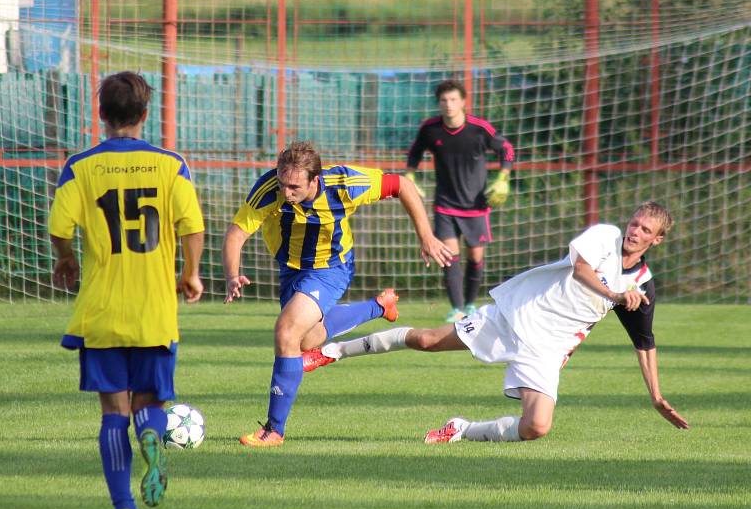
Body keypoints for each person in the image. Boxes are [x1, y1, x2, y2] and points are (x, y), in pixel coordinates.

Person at [303, 201, 689, 443]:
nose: (635, 233)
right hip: (513, 316)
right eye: (635, 224)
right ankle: (332, 351)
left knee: (536, 427)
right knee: (426, 340)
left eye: (645, 231)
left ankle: (462, 429)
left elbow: (645, 343)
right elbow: (581, 269)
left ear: (657, 241)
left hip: (546, 350)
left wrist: (656, 396)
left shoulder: (642, 285)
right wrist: (615, 296)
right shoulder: (606, 235)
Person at [48, 71, 205, 509]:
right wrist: (190, 273)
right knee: (149, 402)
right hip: (155, 310)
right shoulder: (171, 165)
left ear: (101, 113)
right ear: (143, 114)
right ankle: (153, 435)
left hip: (102, 313)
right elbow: (191, 227)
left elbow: (59, 228)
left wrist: (67, 259)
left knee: (113, 412)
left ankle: (124, 508)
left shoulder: (81, 166)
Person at [224, 141, 453, 447]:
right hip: (290, 268)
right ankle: (378, 306)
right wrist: (231, 274)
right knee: (305, 341)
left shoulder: (344, 184)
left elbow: (403, 185)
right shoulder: (269, 189)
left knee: (286, 332)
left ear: (314, 181)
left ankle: (274, 430)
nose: (286, 192)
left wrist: (426, 235)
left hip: (330, 269)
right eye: (282, 183)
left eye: (294, 186)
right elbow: (236, 233)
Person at [405, 79, 515, 322]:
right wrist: (410, 175)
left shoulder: (479, 128)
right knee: (449, 257)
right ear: (439, 103)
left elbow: (506, 148)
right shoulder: (430, 129)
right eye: (444, 100)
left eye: (453, 99)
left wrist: (503, 177)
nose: (448, 104)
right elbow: (415, 151)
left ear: (463, 102)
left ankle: (470, 304)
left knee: (475, 257)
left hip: (476, 206)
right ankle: (456, 310)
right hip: (445, 204)